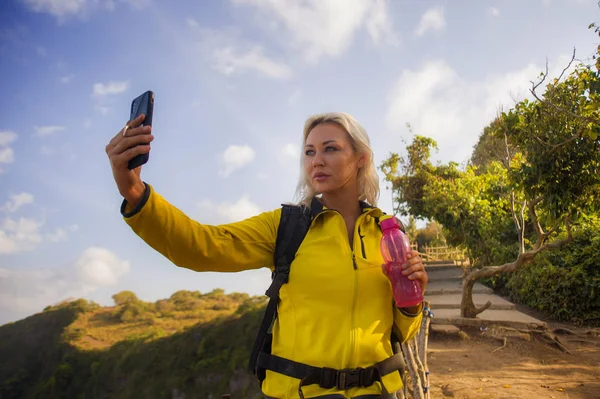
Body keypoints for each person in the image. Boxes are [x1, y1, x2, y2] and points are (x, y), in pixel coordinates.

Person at [105, 112, 429, 399]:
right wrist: (133, 190)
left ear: (361, 158)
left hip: (375, 393)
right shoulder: (286, 226)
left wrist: (412, 301)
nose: (317, 160)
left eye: (330, 148)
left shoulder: (388, 231)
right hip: (300, 394)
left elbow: (400, 331)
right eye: (309, 152)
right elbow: (201, 245)